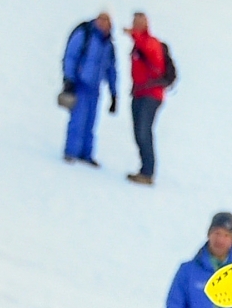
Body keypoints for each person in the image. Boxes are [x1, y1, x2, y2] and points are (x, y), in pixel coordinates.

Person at [58, 13, 118, 166]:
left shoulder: (108, 44)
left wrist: (113, 92)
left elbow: (111, 69)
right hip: (80, 84)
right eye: (102, 20)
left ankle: (86, 153)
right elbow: (70, 56)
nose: (104, 24)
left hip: (95, 88)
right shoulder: (85, 35)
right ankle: (71, 152)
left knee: (91, 121)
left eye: (107, 22)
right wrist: (69, 79)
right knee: (78, 119)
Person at [125, 12, 174, 185]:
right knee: (139, 131)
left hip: (151, 95)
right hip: (140, 93)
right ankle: (145, 169)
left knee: (143, 131)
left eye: (139, 23)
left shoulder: (150, 42)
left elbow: (148, 50)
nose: (135, 26)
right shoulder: (139, 44)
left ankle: (148, 172)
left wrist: (134, 34)